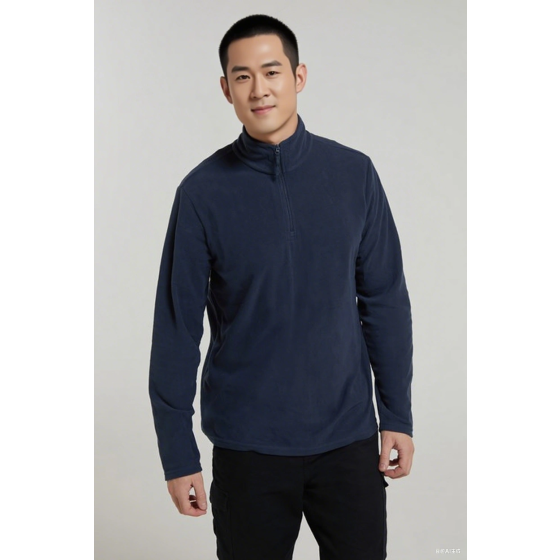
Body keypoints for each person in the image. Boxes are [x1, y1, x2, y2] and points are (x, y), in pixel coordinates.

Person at [148, 13, 414, 560]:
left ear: (299, 76)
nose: (259, 89)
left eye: (271, 72)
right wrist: (177, 452)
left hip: (348, 441)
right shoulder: (201, 193)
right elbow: (176, 327)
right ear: (226, 89)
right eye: (242, 76)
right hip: (248, 449)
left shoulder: (354, 174)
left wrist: (397, 415)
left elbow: (385, 301)